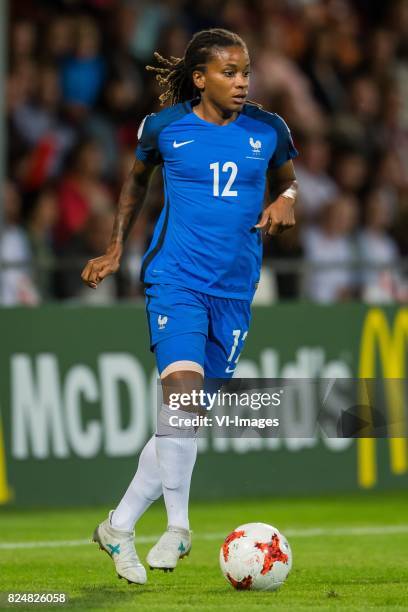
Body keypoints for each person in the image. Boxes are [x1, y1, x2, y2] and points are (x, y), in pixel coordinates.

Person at [81, 28, 298, 585]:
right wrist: (114, 248)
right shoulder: (165, 128)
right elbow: (135, 182)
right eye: (229, 72)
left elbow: (288, 180)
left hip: (234, 292)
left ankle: (118, 525)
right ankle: (178, 526)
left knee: (185, 418)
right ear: (199, 78)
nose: (242, 82)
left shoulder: (269, 130)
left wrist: (285, 200)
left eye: (246, 72)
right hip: (176, 281)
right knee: (180, 395)